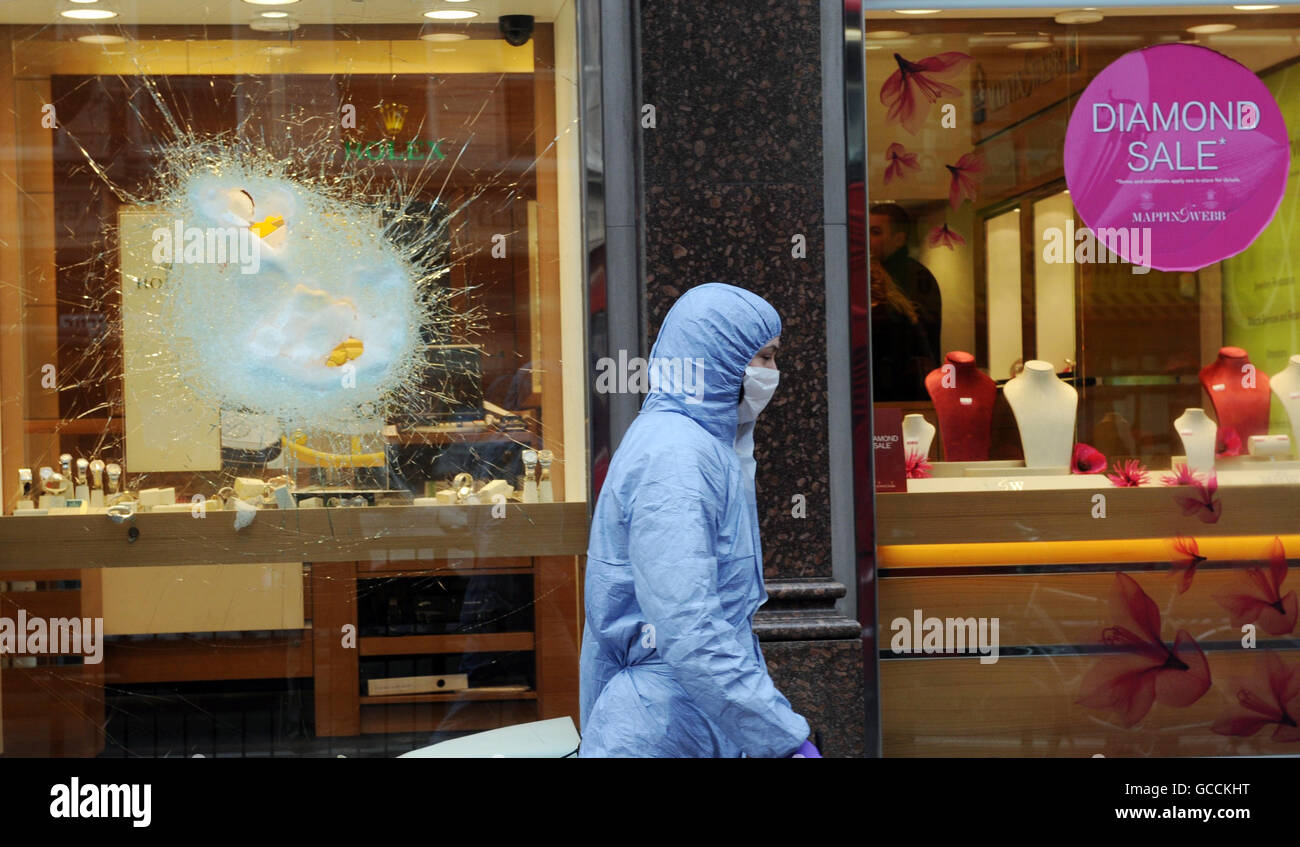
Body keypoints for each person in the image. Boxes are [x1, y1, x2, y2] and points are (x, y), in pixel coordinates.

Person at [578, 282, 820, 758]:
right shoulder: (677, 458)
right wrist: (782, 737)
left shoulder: (692, 442)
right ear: (718, 358)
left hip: (678, 719)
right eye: (765, 357)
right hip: (663, 727)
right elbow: (688, 627)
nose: (774, 372)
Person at [869, 203, 943, 365]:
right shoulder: (873, 274)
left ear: (899, 239)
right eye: (865, 232)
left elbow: (920, 334)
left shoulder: (916, 276)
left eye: (875, 232)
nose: (867, 239)